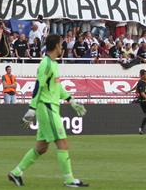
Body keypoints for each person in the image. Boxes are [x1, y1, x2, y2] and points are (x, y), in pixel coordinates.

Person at [8, 34, 88, 188]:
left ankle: (16, 172)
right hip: (47, 107)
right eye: (61, 44)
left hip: (50, 107)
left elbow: (57, 87)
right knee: (62, 143)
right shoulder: (46, 64)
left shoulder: (54, 64)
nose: (62, 47)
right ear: (56, 46)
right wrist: (31, 108)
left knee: (42, 147)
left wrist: (71, 100)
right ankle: (69, 180)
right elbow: (38, 86)